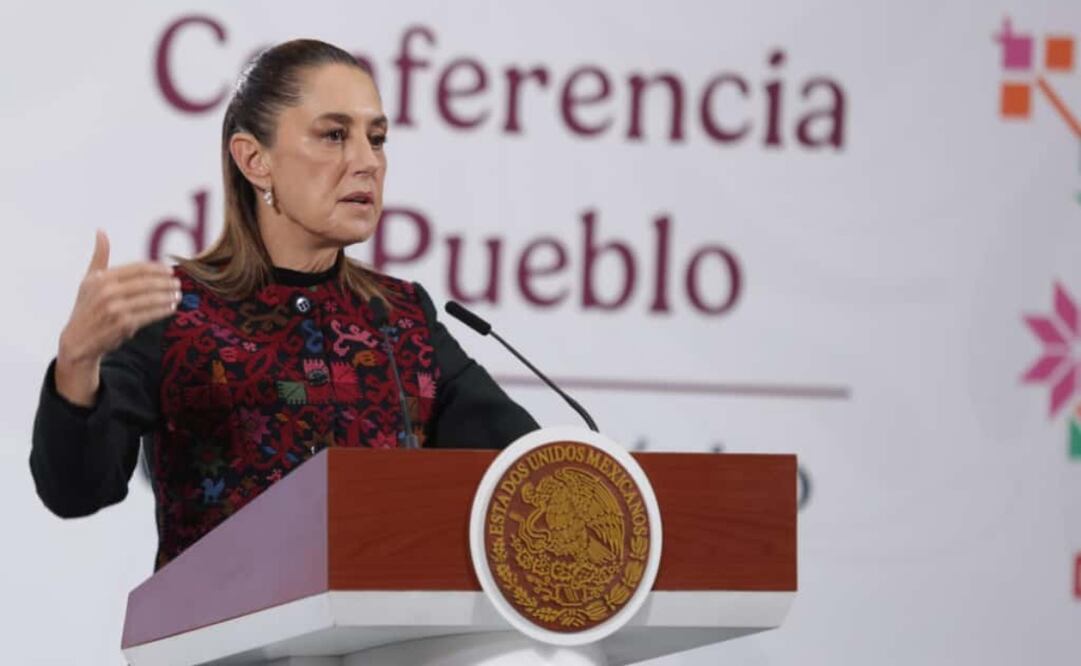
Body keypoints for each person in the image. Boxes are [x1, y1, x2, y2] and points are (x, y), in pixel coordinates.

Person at [29, 39, 538, 570]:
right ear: (255, 160)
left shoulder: (402, 318)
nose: (367, 162)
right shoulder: (173, 311)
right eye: (335, 135)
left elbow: (530, 471)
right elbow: (76, 491)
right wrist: (77, 363)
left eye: (378, 139)